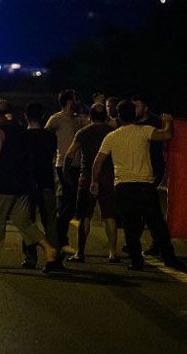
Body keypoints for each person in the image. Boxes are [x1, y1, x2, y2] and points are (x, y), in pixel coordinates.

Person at [90, 100, 185, 271]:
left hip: (123, 186)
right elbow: (167, 135)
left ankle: (135, 261)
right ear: (133, 115)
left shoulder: (111, 136)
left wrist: (94, 181)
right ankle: (170, 259)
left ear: (118, 116)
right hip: (144, 185)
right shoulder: (144, 131)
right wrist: (169, 121)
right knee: (157, 224)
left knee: (130, 226)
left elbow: (98, 162)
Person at [0, 100, 59, 272]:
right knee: (23, 221)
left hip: (3, 183)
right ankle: (49, 249)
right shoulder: (21, 130)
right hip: (23, 184)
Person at [63, 103, 119, 263]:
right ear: (105, 117)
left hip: (87, 177)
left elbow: (70, 154)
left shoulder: (83, 132)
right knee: (109, 215)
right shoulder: (112, 132)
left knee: (84, 215)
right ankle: (113, 253)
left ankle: (80, 252)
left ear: (90, 116)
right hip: (109, 176)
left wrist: (67, 176)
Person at [45, 89, 86, 255]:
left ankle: (59, 238)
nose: (78, 101)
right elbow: (46, 136)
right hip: (63, 165)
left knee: (67, 203)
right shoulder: (56, 119)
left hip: (77, 166)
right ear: (69, 101)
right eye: (75, 98)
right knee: (68, 203)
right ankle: (58, 239)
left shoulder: (78, 119)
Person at [21, 102, 59, 269]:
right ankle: (53, 258)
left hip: (27, 183)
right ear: (43, 117)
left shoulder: (22, 136)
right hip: (46, 181)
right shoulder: (51, 137)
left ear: (26, 116)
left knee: (28, 221)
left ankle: (30, 258)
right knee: (50, 220)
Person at [131, 95, 165, 257]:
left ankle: (158, 244)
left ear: (145, 108)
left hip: (153, 169)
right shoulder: (131, 122)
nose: (134, 109)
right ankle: (135, 241)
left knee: (149, 209)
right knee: (138, 208)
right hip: (137, 169)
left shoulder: (155, 122)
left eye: (137, 106)